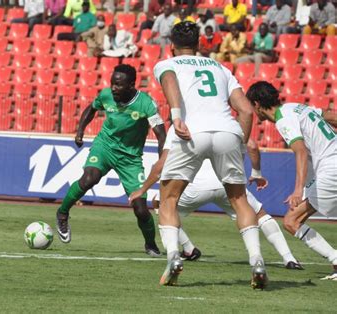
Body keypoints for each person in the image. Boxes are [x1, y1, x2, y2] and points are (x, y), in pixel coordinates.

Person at [153, 21, 267, 289]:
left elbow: (169, 81)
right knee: (240, 200)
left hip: (192, 132)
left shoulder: (167, 64)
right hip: (227, 130)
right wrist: (240, 143)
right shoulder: (220, 67)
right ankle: (257, 259)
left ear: (171, 46)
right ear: (199, 45)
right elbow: (248, 111)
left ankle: (173, 257)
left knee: (168, 199)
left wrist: (177, 116)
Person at [130, 134, 303, 270]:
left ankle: (187, 249)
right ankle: (287, 258)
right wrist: (256, 173)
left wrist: (143, 189)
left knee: (162, 203)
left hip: (195, 187)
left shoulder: (183, 124)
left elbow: (161, 164)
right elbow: (252, 146)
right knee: (260, 215)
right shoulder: (229, 123)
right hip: (226, 184)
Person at [55, 64, 167, 257]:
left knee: (140, 209)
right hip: (105, 146)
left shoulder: (146, 104)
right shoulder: (106, 95)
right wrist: (80, 130)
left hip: (130, 158)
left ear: (132, 85)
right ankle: (62, 213)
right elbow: (91, 109)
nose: (113, 88)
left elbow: (161, 135)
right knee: (89, 178)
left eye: (119, 85)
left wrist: (162, 162)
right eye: (112, 83)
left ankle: (150, 244)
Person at [246, 81, 337, 281]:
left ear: (257, 104)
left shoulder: (283, 119)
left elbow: (301, 151)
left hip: (332, 167)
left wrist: (298, 190)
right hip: (330, 163)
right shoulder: (296, 107)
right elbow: (331, 116)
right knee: (294, 220)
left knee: (291, 221)